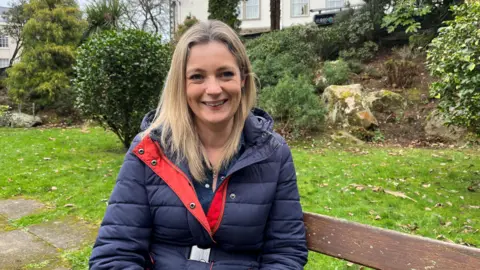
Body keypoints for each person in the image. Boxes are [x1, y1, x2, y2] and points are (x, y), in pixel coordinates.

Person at [89, 20, 308, 270]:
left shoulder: (273, 153)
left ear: (243, 80)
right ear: (181, 85)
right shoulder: (149, 149)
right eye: (197, 77)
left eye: (226, 74)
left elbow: (285, 252)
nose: (213, 89)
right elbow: (115, 254)